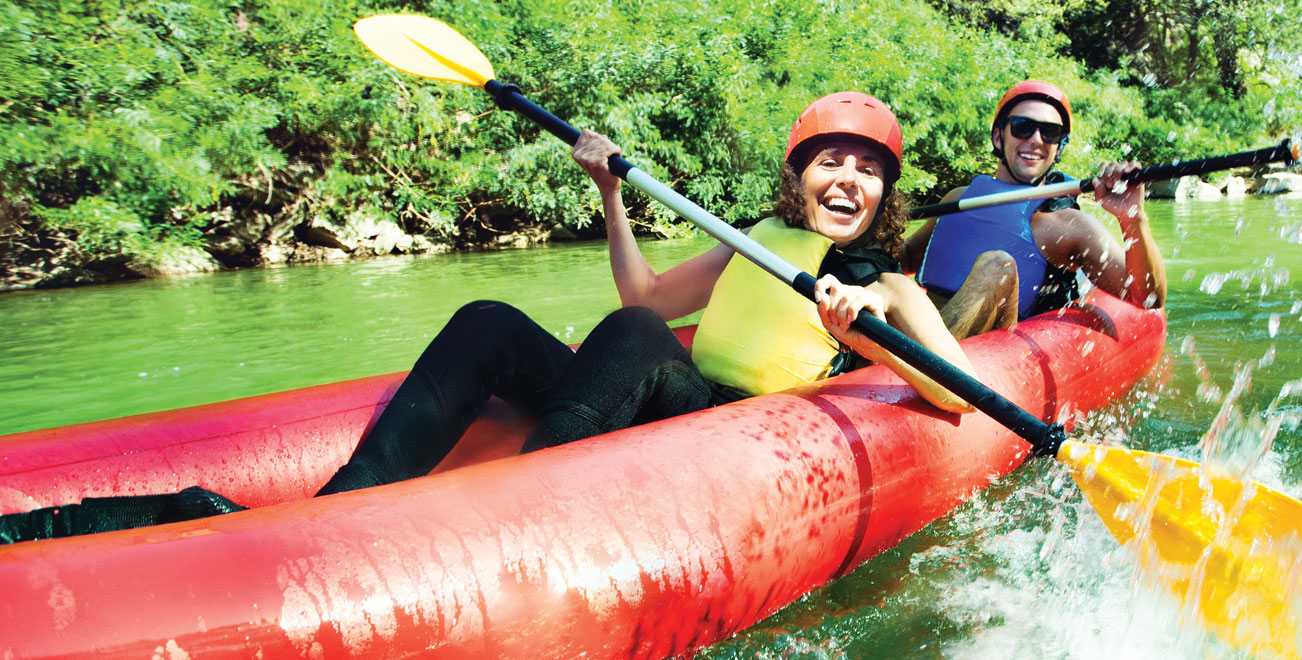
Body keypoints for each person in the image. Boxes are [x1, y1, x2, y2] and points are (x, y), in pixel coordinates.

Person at [0, 92, 974, 544]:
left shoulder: (880, 279)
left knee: (632, 346)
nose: (844, 177)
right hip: (644, 395)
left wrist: (863, 325)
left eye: (866, 166)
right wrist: (604, 192)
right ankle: (344, 507)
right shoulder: (754, 234)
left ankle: (511, 517)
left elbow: (956, 396)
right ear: (799, 174)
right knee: (489, 318)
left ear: (884, 187)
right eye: (827, 160)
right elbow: (643, 300)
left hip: (724, 429)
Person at [904, 81, 1169, 338]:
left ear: (1060, 146)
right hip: (925, 326)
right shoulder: (958, 200)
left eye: (1049, 133)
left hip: (990, 352)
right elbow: (902, 260)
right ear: (998, 137)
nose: (1036, 140)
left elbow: (1148, 298)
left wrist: (1133, 218)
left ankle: (915, 365)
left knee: (996, 265)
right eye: (1023, 127)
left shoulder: (1068, 227)